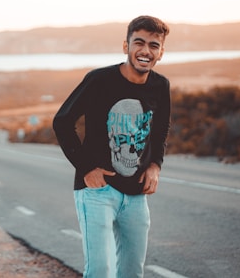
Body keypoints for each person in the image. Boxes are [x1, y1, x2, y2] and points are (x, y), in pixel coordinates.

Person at [52, 15, 171, 278]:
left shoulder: (160, 86)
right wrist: (86, 168)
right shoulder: (99, 80)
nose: (145, 50)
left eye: (154, 45)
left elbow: (160, 129)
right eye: (139, 42)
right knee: (100, 271)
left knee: (131, 272)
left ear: (161, 52)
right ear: (126, 46)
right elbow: (62, 122)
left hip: (136, 194)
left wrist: (155, 166)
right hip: (97, 191)